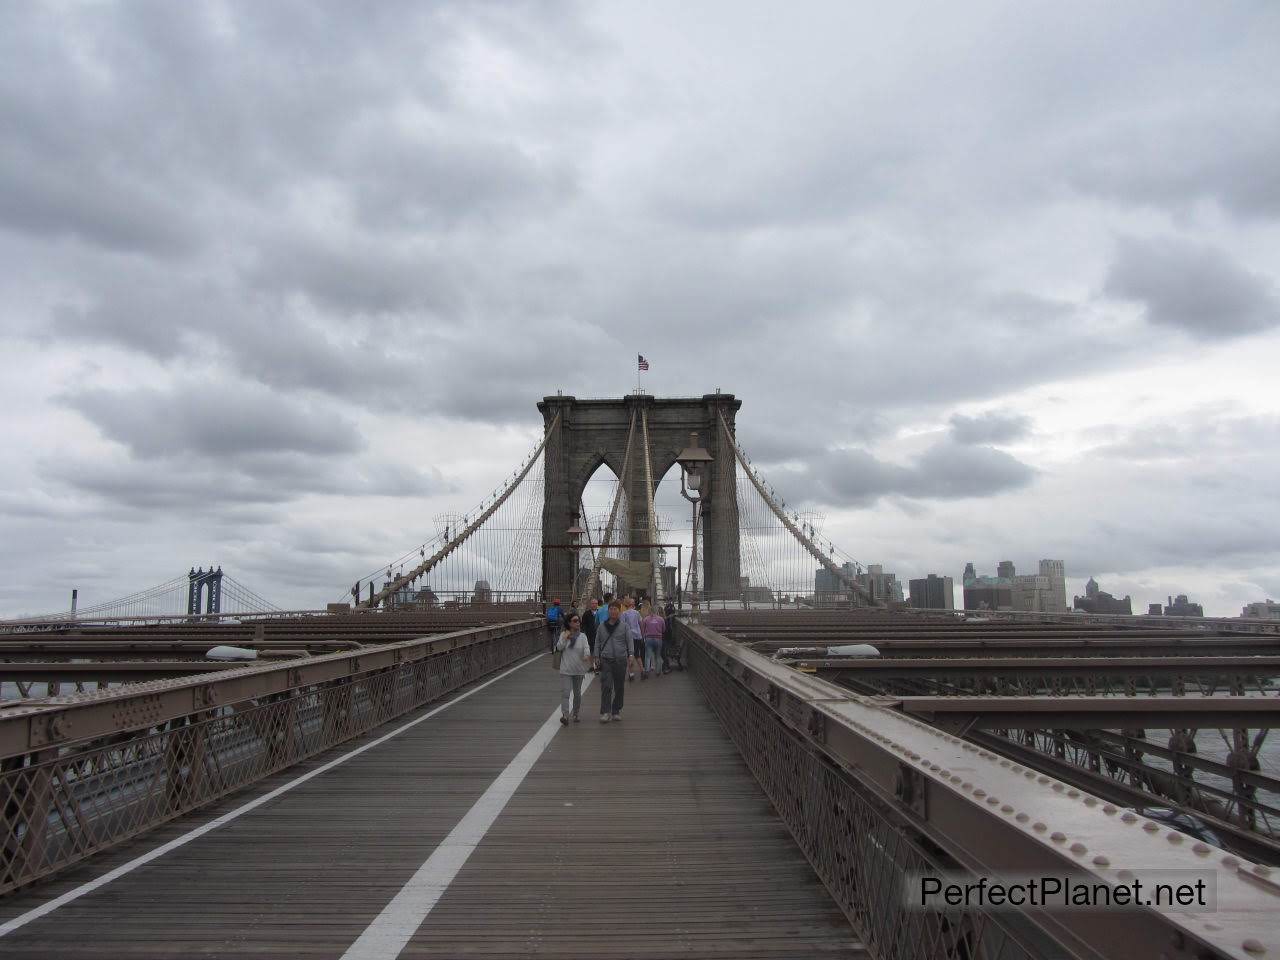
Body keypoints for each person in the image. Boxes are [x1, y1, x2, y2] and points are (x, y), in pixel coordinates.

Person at [593, 600, 628, 722]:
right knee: (606, 686)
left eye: (615, 609)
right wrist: (596, 656)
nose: (613, 611)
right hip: (606, 659)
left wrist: (632, 655)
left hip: (620, 659)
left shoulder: (624, 626)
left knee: (619, 687)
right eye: (611, 609)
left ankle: (616, 710)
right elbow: (597, 642)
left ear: (619, 611)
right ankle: (605, 712)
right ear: (608, 611)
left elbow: (629, 641)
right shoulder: (602, 626)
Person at [555, 614, 591, 725]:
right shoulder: (563, 634)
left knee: (577, 694)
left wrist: (586, 655)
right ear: (569, 623)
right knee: (565, 693)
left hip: (579, 669)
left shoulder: (583, 636)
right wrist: (565, 637)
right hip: (566, 669)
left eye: (578, 621)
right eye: (575, 621)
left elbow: (586, 648)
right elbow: (559, 647)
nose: (578, 623)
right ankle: (565, 715)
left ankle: (576, 713)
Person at [640, 602, 665, 679]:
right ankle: (657, 671)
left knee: (647, 656)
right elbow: (664, 630)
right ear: (657, 611)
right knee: (657, 656)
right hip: (658, 638)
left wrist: (643, 636)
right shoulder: (661, 619)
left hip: (648, 638)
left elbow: (642, 629)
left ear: (649, 611)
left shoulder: (645, 619)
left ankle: (647, 671)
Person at [620, 596, 642, 681]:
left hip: (628, 637)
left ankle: (631, 673)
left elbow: (622, 626)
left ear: (627, 604)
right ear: (633, 605)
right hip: (637, 636)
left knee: (630, 655)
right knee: (637, 654)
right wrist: (641, 634)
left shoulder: (624, 614)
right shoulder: (637, 613)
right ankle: (642, 670)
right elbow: (641, 623)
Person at [661, 601, 676, 673]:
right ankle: (665, 667)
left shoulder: (664, 620)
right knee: (663, 653)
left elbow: (666, 630)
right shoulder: (665, 620)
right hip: (666, 638)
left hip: (666, 638)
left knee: (664, 653)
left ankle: (666, 667)